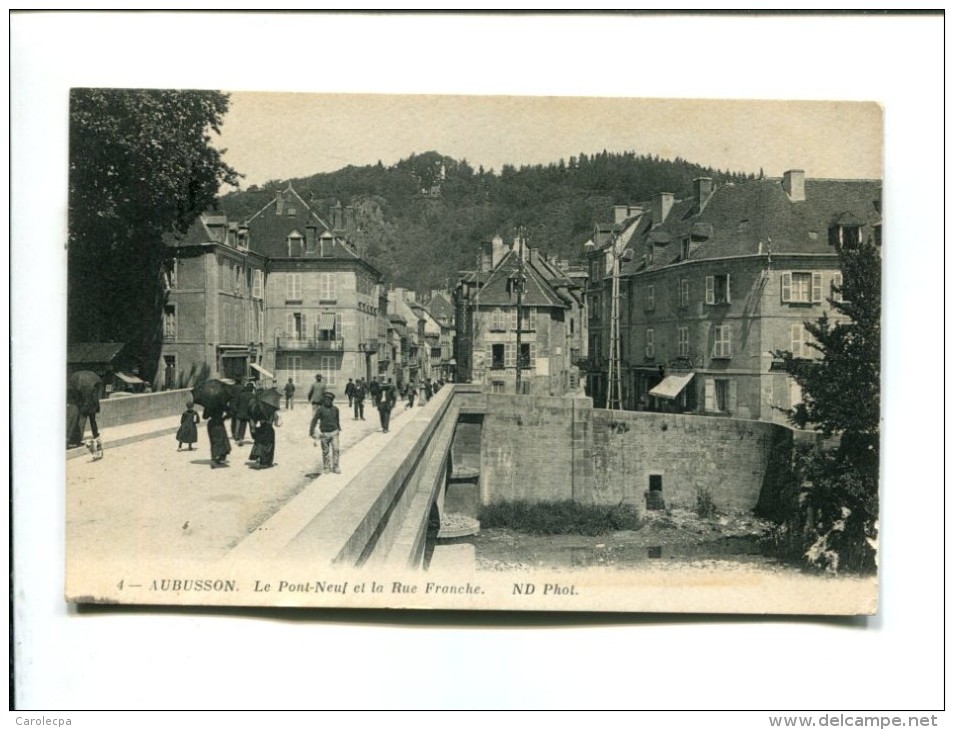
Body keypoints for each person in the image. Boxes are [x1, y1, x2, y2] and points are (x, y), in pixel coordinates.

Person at [311, 391, 342, 474]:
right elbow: (314, 420)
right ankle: (326, 467)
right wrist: (311, 431)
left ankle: (336, 466)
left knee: (336, 449)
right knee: (325, 451)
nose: (328, 401)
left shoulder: (335, 409)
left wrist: (338, 428)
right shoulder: (320, 410)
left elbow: (337, 419)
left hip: (334, 432)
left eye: (330, 400)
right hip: (324, 434)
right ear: (324, 400)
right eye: (326, 399)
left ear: (332, 400)